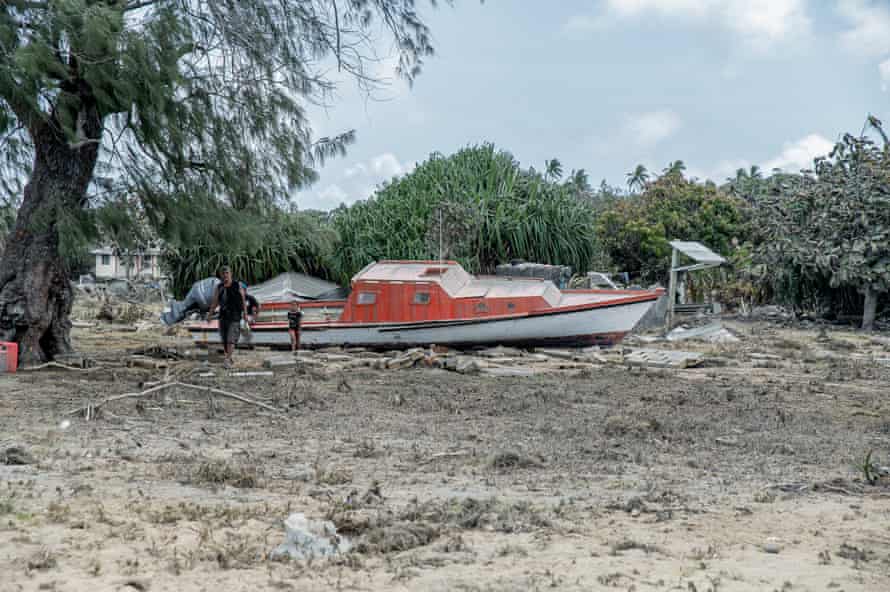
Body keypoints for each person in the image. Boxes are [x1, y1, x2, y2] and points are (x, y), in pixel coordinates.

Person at [208, 266, 248, 368]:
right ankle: (229, 357)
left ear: (231, 274)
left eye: (227, 273)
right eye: (223, 273)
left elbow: (243, 300)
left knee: (231, 339)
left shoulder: (237, 285)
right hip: (223, 316)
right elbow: (215, 301)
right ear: (221, 275)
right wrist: (210, 314)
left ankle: (227, 360)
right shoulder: (219, 287)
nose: (225, 275)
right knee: (225, 340)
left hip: (235, 315)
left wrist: (245, 314)